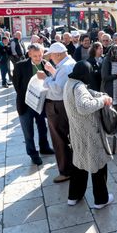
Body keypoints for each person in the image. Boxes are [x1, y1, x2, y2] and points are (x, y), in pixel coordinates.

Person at [63, 61, 115, 209]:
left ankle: (73, 196)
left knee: (79, 165)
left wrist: (99, 95)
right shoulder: (78, 86)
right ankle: (101, 200)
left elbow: (87, 93)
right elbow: (84, 106)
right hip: (90, 134)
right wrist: (102, 100)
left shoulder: (70, 83)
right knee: (98, 165)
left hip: (77, 133)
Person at [38, 42, 76, 183]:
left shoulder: (66, 67)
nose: (51, 58)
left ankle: (66, 171)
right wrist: (53, 72)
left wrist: (45, 78)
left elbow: (58, 89)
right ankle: (68, 167)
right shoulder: (67, 64)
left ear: (59, 54)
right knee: (63, 137)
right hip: (60, 105)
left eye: (52, 55)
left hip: (57, 106)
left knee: (59, 139)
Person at [11, 44, 55, 166]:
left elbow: (52, 80)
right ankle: (32, 153)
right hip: (26, 104)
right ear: (29, 54)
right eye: (35, 56)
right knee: (28, 131)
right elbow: (17, 86)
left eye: (40, 55)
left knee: (42, 127)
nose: (38, 58)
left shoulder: (47, 64)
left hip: (42, 103)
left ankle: (44, 147)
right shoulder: (20, 66)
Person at [101, 44, 117, 114]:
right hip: (110, 89)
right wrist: (116, 76)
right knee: (111, 111)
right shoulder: (107, 61)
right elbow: (104, 77)